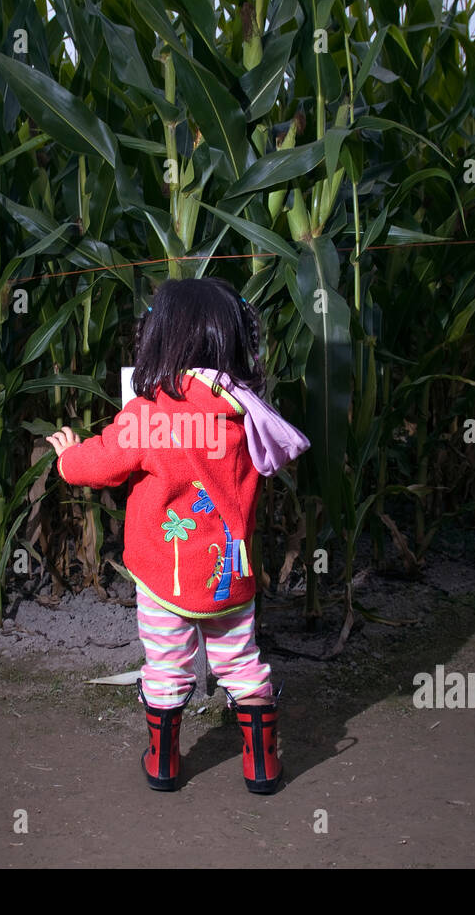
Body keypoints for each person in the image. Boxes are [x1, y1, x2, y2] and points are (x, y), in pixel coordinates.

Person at [47, 277, 309, 794]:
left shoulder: (149, 414)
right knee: (241, 664)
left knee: (165, 667)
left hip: (164, 578)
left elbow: (98, 464)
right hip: (227, 576)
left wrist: (66, 456)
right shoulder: (245, 412)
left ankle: (164, 763)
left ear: (161, 338)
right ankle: (262, 766)